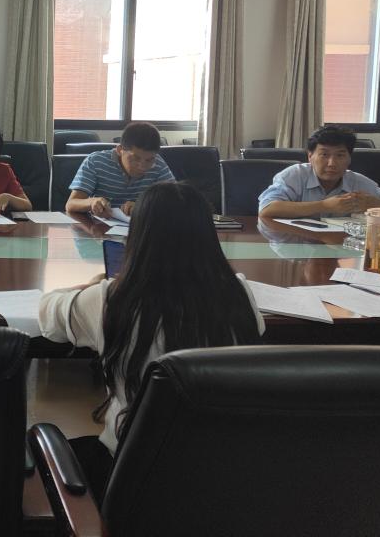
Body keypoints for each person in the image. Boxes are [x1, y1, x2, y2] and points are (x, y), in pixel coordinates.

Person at [39, 182, 263, 504]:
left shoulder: (110, 299)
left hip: (131, 475)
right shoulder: (240, 295)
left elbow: (47, 315)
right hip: (222, 473)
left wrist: (90, 286)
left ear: (138, 234)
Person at [258, 124, 380, 219]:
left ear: (349, 158)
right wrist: (324, 205)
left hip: (342, 249)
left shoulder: (359, 182)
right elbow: (267, 208)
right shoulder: (294, 175)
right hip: (297, 246)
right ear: (310, 156)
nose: (332, 163)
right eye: (324, 155)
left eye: (340, 155)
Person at [65, 121, 174, 217]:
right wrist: (92, 202)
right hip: (99, 227)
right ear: (120, 150)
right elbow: (71, 204)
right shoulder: (95, 161)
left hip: (139, 228)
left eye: (149, 160)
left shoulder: (158, 164)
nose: (142, 166)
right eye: (135, 158)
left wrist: (143, 207)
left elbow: (176, 202)